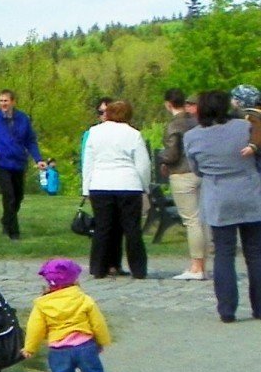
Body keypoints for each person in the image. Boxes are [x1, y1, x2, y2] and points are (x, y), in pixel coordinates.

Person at [185, 89, 261, 322]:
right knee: (256, 253)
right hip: (250, 191)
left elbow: (196, 168)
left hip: (218, 194)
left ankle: (227, 309)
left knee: (224, 254)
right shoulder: (243, 127)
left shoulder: (193, 136)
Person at [23, 258, 113, 372]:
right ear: (74, 279)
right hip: (85, 345)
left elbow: (35, 328)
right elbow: (98, 323)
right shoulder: (83, 298)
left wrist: (30, 348)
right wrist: (102, 340)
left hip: (59, 349)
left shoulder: (42, 304)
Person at [81, 98, 152, 279]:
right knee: (132, 229)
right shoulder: (133, 134)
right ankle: (138, 269)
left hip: (100, 183)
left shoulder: (94, 132)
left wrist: (86, 188)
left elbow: (88, 162)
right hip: (128, 184)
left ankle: (98, 267)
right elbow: (143, 165)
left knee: (103, 228)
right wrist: (145, 186)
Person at [0, 89, 44, 241]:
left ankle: (6, 220)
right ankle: (14, 232)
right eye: (1, 101)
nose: (3, 104)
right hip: (0, 162)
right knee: (9, 195)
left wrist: (38, 159)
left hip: (18, 162)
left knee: (18, 197)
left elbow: (30, 141)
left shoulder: (23, 119)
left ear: (13, 102)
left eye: (6, 101)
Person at [159, 88, 208, 280]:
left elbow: (172, 153)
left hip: (181, 173)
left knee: (191, 220)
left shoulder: (174, 125)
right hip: (200, 172)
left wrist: (162, 159)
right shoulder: (197, 122)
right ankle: (203, 263)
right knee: (202, 220)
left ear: (168, 104)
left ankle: (196, 266)